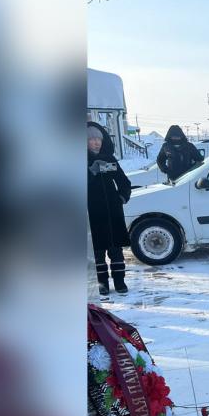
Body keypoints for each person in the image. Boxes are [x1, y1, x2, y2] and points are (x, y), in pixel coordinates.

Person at [88, 122, 132, 295]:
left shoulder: (110, 158)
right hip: (92, 214)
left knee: (115, 250)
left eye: (98, 138)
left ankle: (120, 282)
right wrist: (91, 171)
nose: (96, 142)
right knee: (97, 252)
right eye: (91, 139)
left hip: (113, 213)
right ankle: (102, 284)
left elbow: (124, 182)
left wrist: (121, 197)